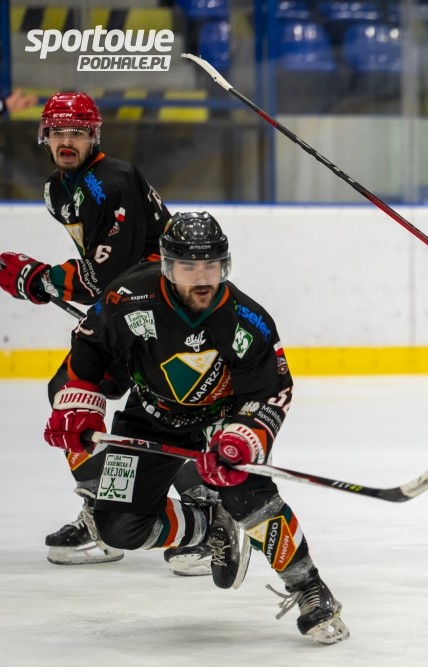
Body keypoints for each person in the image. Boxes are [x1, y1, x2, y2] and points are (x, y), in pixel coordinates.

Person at [41, 211, 349, 644]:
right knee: (117, 526)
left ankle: (309, 588)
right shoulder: (128, 297)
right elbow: (88, 351)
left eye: (211, 265)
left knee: (248, 497)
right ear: (168, 266)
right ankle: (207, 525)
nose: (202, 278)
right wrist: (78, 404)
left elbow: (272, 393)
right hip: (149, 415)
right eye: (189, 267)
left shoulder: (247, 320)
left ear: (225, 265)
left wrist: (242, 438)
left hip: (220, 423)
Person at [0, 91, 210, 573]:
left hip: (167, 315)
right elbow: (107, 274)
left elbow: (111, 273)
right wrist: (46, 282)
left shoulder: (111, 181)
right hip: (129, 309)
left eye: (77, 132)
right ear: (44, 135)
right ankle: (105, 508)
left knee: (159, 409)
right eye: (58, 130)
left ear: (94, 136)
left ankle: (205, 518)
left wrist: (39, 278)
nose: (66, 140)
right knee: (75, 393)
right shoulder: (59, 190)